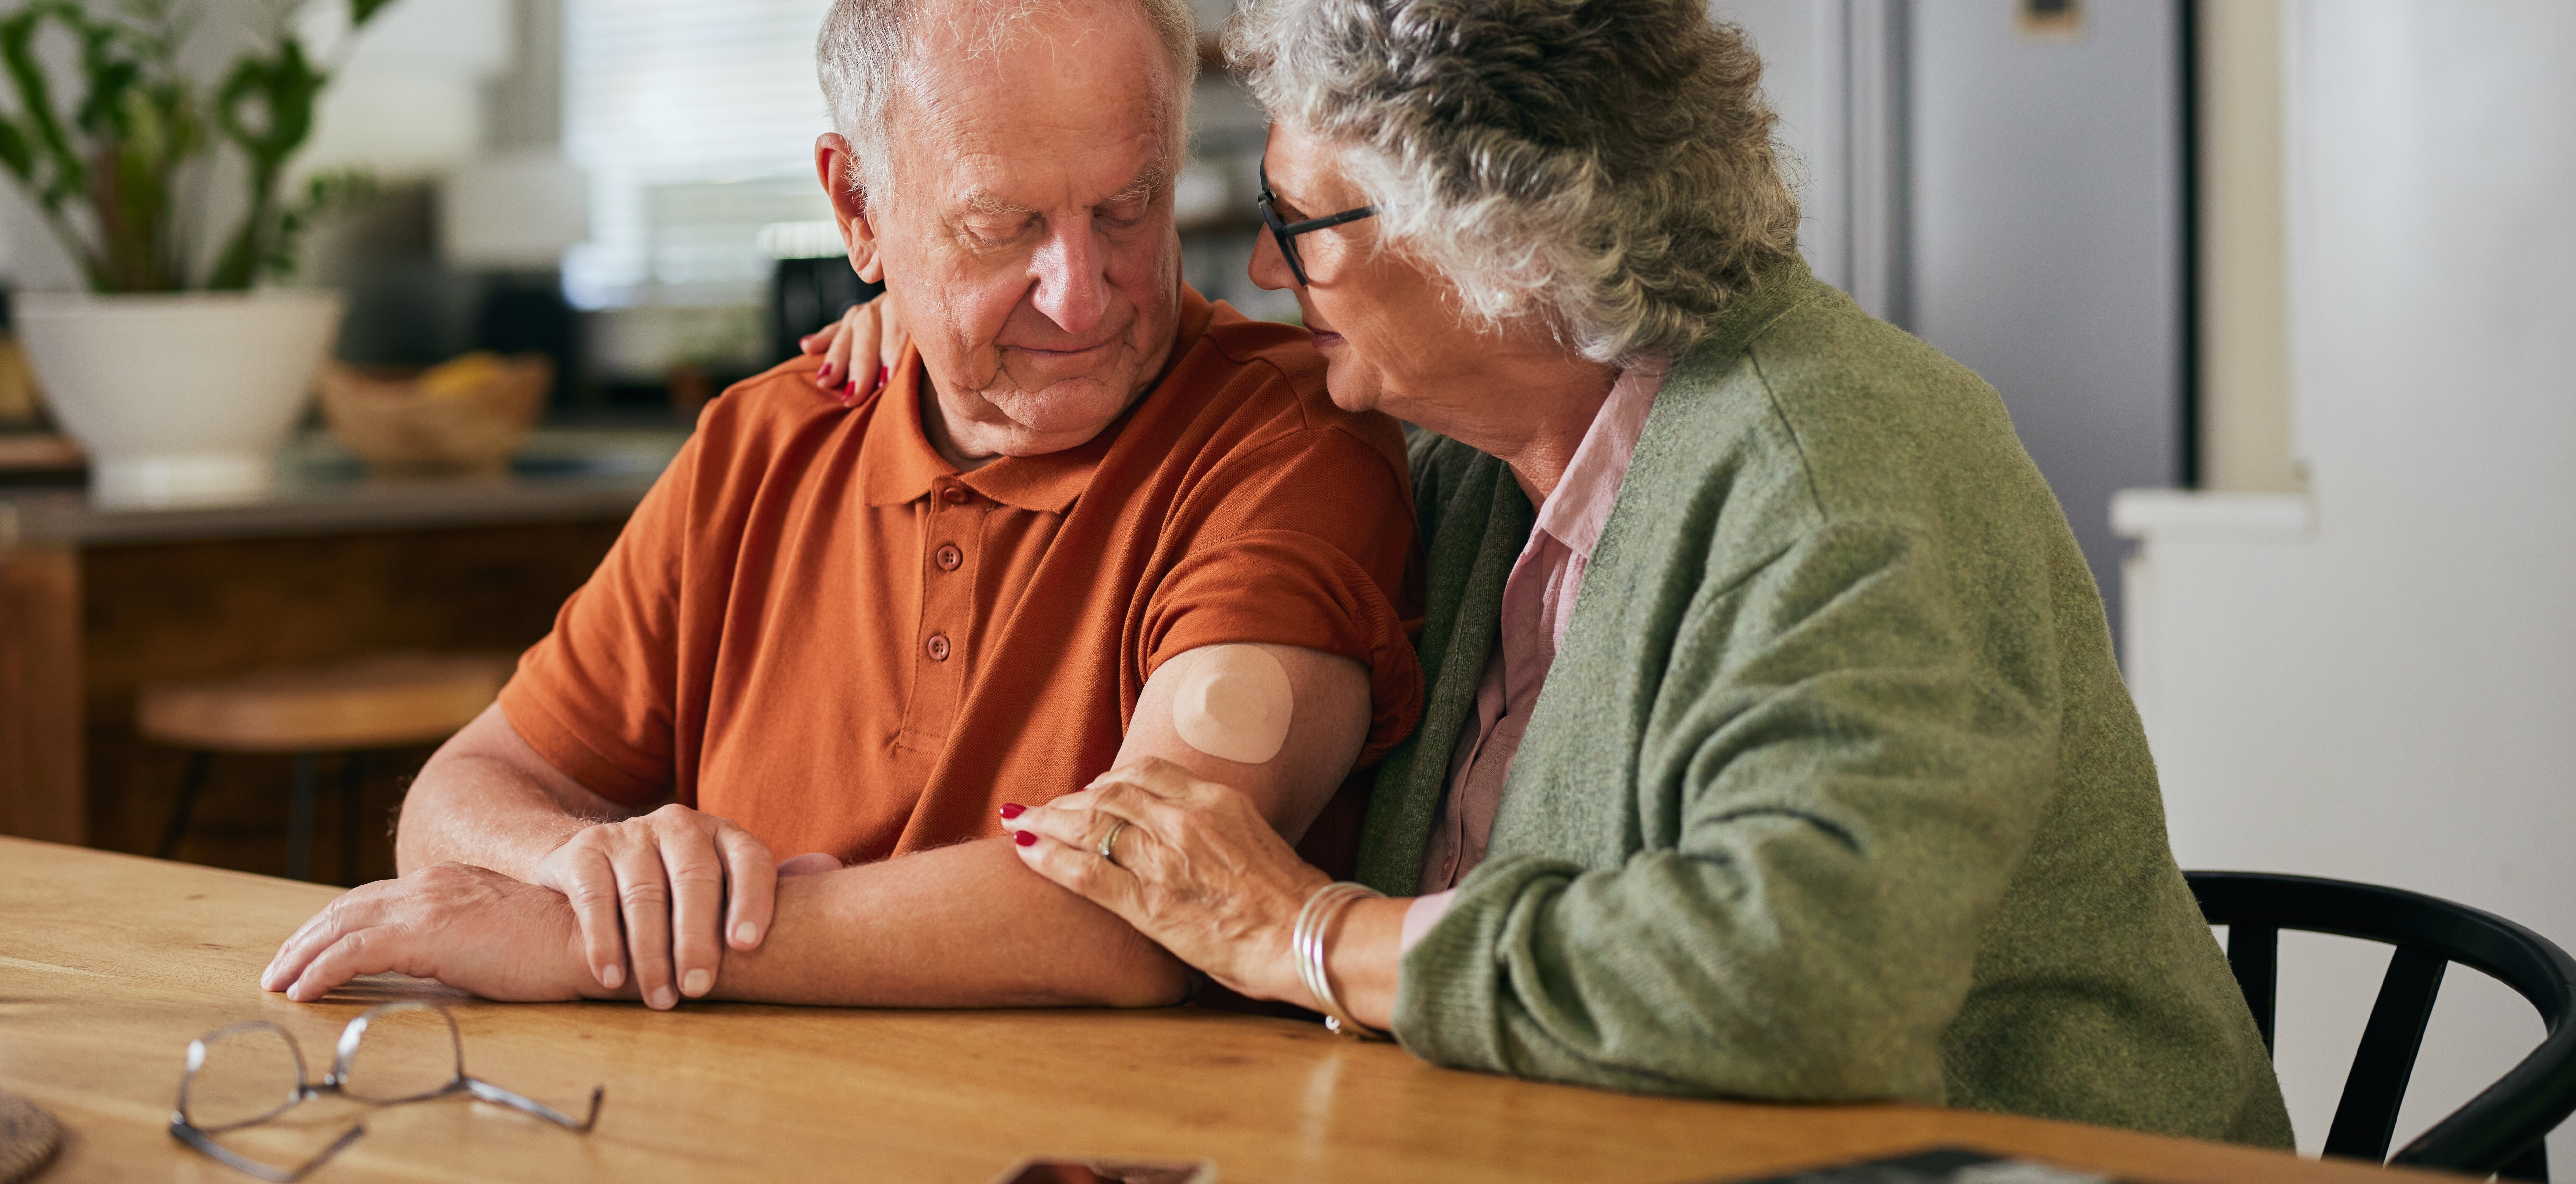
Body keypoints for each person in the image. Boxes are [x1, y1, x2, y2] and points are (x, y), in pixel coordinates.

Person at [894, 0, 2287, 1146]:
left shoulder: (1838, 471)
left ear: (1496, 239)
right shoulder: (1465, 462)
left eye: (1297, 219)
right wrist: (905, 327)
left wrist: (1319, 935)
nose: (1263, 265)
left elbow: (1804, 984)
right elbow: (1150, 397)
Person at [259, 0, 1424, 1013]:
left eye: (1128, 208)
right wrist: (596, 870)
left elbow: (1149, 907)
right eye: (1003, 224)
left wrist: (607, 943)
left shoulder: (1292, 438)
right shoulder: (762, 443)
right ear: (856, 207)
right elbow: (462, 801)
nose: (1082, 297)